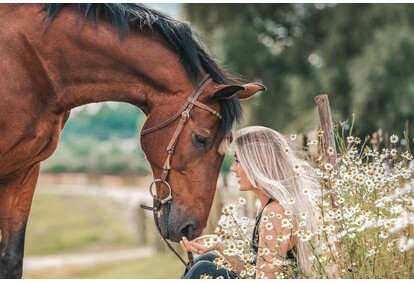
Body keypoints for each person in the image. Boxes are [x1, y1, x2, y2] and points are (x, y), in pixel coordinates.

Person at [180, 126, 320, 279]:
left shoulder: (275, 212)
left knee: (204, 268)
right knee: (207, 259)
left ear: (257, 164)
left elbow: (266, 279)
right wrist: (219, 245)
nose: (233, 168)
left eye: (238, 160)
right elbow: (255, 273)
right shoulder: (267, 207)